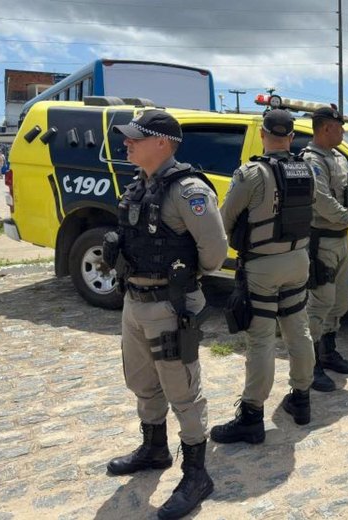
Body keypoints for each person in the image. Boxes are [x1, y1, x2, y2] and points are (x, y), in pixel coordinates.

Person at [103, 109, 228, 520]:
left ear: (162, 143)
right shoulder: (140, 185)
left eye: (135, 138)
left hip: (171, 305)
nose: (127, 144)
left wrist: (182, 273)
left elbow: (214, 253)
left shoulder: (188, 190)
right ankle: (154, 448)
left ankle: (196, 473)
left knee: (182, 391)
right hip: (135, 301)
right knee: (142, 382)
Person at [210, 109, 316, 444]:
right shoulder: (307, 169)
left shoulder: (251, 173)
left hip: (263, 266)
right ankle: (301, 400)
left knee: (261, 340)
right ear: (291, 136)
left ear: (263, 134)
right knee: (298, 330)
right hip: (299, 260)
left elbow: (223, 221)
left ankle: (252, 417)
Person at [301, 106, 348, 392]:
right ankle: (311, 364)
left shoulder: (338, 157)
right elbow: (321, 199)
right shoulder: (311, 160)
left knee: (341, 301)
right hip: (321, 241)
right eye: (340, 128)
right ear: (327, 128)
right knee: (319, 304)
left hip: (340, 239)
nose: (343, 133)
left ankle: (328, 351)